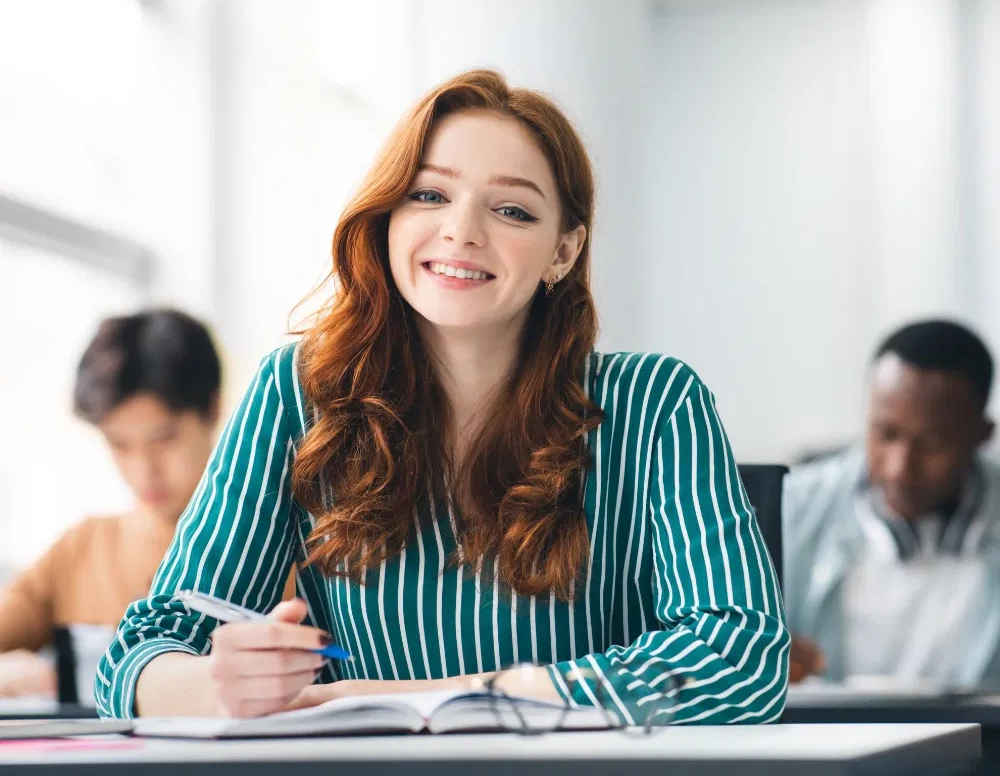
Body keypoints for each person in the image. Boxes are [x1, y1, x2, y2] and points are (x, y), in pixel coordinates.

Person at [96, 69, 788, 723]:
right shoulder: (296, 393)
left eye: (512, 209)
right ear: (388, 215)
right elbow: (134, 658)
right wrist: (218, 686)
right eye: (429, 195)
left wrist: (474, 695)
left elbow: (743, 659)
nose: (461, 230)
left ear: (564, 251)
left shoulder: (656, 402)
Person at [0, 309, 223, 699]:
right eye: (120, 445)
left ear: (214, 411)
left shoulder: (287, 546)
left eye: (164, 439)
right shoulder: (81, 548)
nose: (144, 471)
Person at [783, 320, 1000, 688]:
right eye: (886, 434)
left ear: (980, 436)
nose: (899, 468)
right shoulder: (789, 511)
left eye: (931, 444)